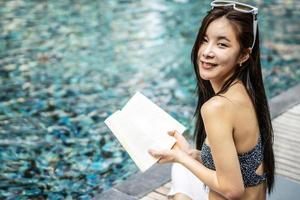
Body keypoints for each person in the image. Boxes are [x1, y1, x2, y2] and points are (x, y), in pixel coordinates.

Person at [148, 0, 275, 199]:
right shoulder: (245, 91)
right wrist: (193, 154)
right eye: (205, 40)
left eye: (222, 44)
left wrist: (179, 157)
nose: (207, 52)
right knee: (181, 169)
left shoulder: (217, 107)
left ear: (243, 55)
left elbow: (232, 190)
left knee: (179, 178)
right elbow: (241, 164)